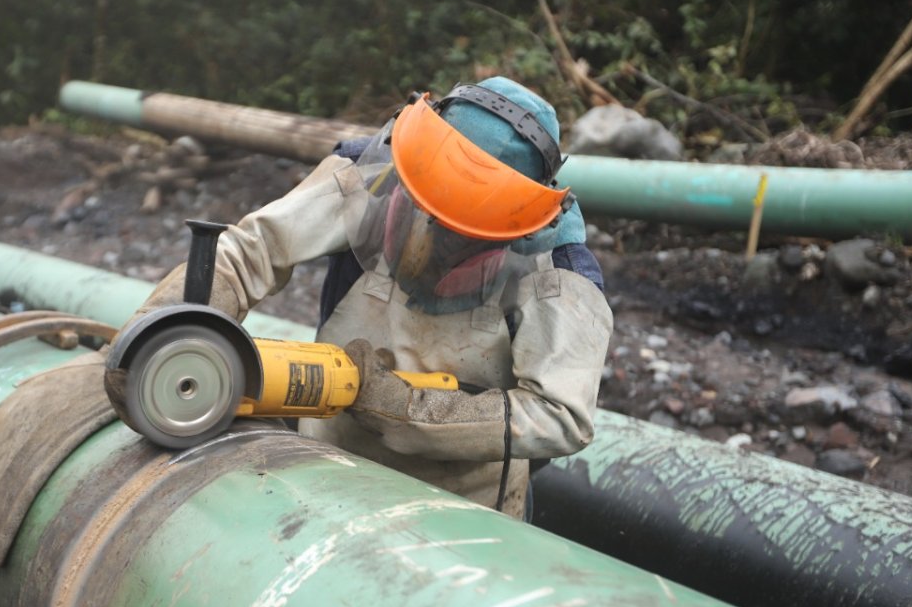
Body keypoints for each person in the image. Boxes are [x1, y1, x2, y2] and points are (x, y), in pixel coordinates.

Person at [131, 76, 613, 519]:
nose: (439, 232)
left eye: (466, 225)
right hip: (322, 459)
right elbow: (249, 252)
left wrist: (415, 411)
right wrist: (167, 327)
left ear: (520, 213)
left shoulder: (558, 270)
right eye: (432, 204)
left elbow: (561, 415)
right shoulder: (372, 174)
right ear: (421, 159)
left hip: (461, 506)